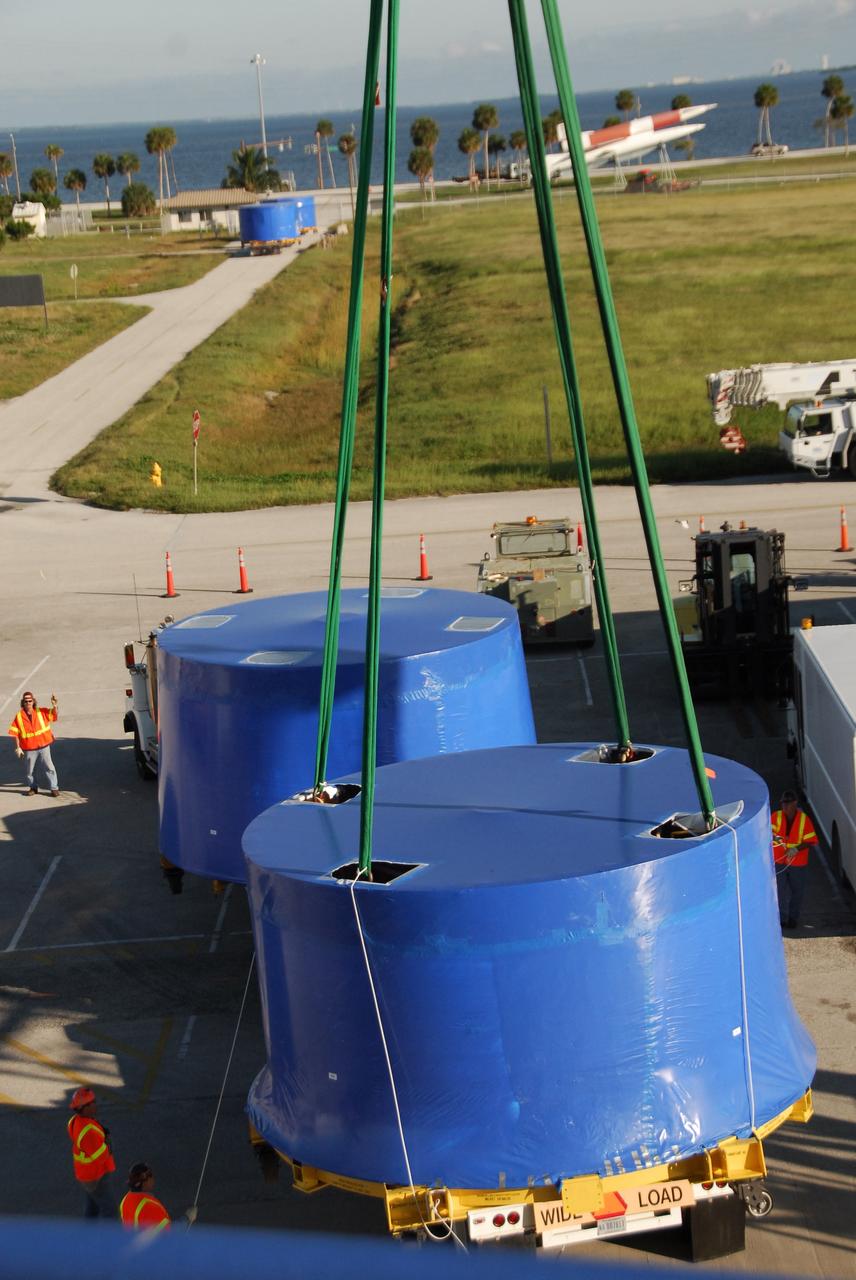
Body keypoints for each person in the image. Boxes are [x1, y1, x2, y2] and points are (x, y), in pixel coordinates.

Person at [67, 1087, 117, 1219]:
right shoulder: (88, 1132)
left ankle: (88, 1231)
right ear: (85, 1107)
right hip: (96, 1176)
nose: (96, 1104)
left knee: (93, 1207)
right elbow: (102, 1157)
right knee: (110, 1212)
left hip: (86, 1174)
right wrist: (107, 1142)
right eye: (93, 1102)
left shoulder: (75, 1121)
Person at [771, 790, 818, 929]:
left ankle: (793, 918)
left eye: (788, 803)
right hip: (779, 861)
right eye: (783, 803)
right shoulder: (776, 816)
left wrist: (796, 849)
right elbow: (767, 831)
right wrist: (774, 837)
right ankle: (782, 919)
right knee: (780, 891)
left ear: (795, 803)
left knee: (797, 892)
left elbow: (811, 840)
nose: (785, 806)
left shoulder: (804, 820)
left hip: (797, 863)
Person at [8, 691, 60, 796]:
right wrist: (18, 747)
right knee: (30, 771)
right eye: (26, 701)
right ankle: (33, 788)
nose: (28, 703)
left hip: (43, 745)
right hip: (29, 748)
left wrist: (55, 706)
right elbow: (15, 733)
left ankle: (54, 788)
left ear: (33, 701)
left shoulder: (41, 712)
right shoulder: (19, 717)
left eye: (30, 701)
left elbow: (54, 716)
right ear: (23, 702)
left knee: (49, 768)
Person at [119, 1164, 172, 1232]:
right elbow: (166, 1233)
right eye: (150, 1176)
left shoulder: (125, 1200)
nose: (153, 1179)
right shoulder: (149, 1205)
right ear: (144, 1181)